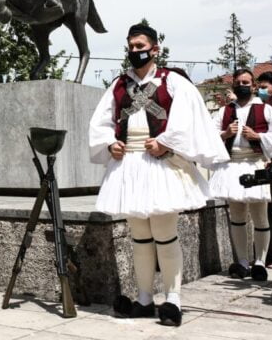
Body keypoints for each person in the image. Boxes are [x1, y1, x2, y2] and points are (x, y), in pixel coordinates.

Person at [89, 23, 229, 327]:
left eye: (141, 46)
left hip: (161, 164)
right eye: (131, 46)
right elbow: (101, 122)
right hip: (128, 165)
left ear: (155, 49)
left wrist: (165, 141)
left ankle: (173, 299)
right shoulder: (118, 85)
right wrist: (110, 143)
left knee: (165, 235)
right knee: (139, 237)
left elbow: (187, 118)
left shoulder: (174, 82)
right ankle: (143, 299)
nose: (135, 51)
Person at [209, 69, 272, 281]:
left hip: (255, 163)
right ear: (234, 84)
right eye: (239, 82)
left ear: (253, 85)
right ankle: (243, 261)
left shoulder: (266, 110)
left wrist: (258, 136)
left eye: (246, 81)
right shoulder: (224, 111)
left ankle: (260, 261)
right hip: (232, 164)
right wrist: (225, 134)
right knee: (236, 214)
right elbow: (208, 135)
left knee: (260, 215)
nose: (242, 85)